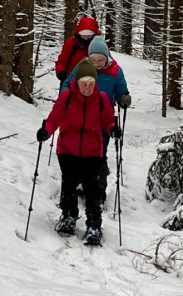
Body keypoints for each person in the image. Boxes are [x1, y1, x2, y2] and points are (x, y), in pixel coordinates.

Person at [36, 59, 121, 245]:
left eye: (91, 84)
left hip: (92, 151)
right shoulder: (66, 98)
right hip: (67, 149)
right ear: (77, 82)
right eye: (84, 83)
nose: (88, 88)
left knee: (92, 189)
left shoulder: (102, 99)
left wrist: (113, 129)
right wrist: (46, 132)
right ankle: (68, 216)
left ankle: (94, 225)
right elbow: (54, 119)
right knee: (69, 184)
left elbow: (108, 121)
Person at [62, 36, 131, 204]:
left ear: (107, 56)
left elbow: (122, 90)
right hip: (81, 117)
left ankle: (98, 191)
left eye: (101, 59)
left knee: (98, 154)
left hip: (103, 119)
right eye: (94, 59)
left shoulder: (115, 71)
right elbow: (68, 84)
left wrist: (124, 98)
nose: (97, 63)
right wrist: (66, 98)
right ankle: (79, 184)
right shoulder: (82, 67)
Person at [55, 16, 100, 87]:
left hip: (93, 83)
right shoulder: (71, 43)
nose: (86, 39)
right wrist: (61, 72)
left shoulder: (99, 45)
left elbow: (108, 62)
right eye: (83, 35)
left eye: (89, 36)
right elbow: (61, 62)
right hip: (71, 82)